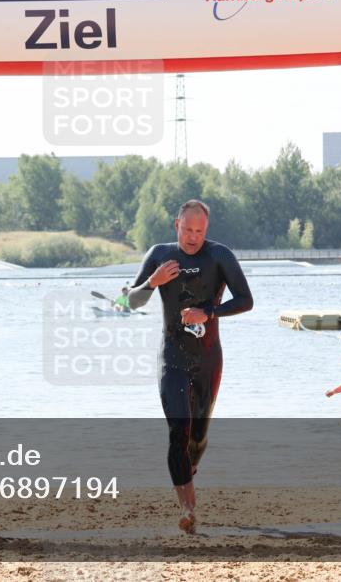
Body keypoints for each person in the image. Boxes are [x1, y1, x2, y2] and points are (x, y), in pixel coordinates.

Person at [127, 199, 253, 534]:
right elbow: (129, 300)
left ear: (206, 230)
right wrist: (152, 282)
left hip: (208, 358)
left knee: (197, 436)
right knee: (177, 432)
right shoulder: (159, 255)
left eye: (200, 231)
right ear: (176, 225)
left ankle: (190, 468)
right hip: (172, 357)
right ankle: (188, 508)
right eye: (188, 229)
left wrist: (208, 312)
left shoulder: (219, 256)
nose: (193, 237)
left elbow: (246, 300)